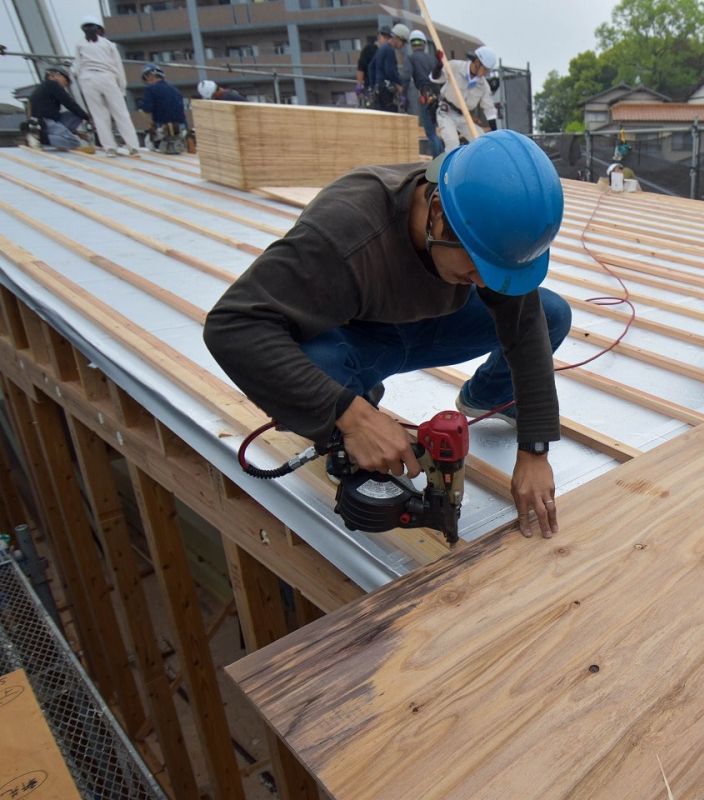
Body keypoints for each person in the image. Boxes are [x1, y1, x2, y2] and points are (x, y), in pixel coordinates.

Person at [203, 130, 570, 539]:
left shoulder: (483, 227)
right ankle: (351, 436)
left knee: (550, 313)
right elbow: (231, 325)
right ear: (437, 214)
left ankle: (486, 396)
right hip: (356, 340)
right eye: (476, 265)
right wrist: (353, 416)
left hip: (426, 325)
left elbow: (525, 326)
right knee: (317, 367)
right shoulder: (345, 234)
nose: (484, 282)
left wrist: (535, 450)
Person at [75, 16, 141, 157]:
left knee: (99, 115)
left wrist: (79, 77)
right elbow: (119, 67)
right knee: (121, 113)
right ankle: (133, 147)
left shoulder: (80, 44)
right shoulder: (109, 44)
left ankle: (110, 148)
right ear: (100, 30)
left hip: (87, 79)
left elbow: (76, 67)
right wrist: (122, 88)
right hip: (107, 77)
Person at [432, 46, 499, 152]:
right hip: (446, 112)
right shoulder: (455, 66)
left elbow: (489, 110)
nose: (486, 73)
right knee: (453, 143)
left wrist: (495, 133)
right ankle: (450, 168)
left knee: (483, 142)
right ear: (477, 62)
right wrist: (439, 65)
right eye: (485, 69)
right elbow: (435, 78)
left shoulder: (483, 85)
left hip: (464, 116)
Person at [25, 65, 95, 153]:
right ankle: (40, 138)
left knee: (76, 115)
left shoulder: (43, 88)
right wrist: (88, 118)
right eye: (65, 82)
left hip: (47, 120)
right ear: (57, 75)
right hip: (46, 121)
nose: (65, 87)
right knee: (73, 143)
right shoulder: (52, 84)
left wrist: (76, 132)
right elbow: (69, 103)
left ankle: (56, 135)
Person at [407, 29, 443, 156]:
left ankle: (437, 160)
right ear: (424, 44)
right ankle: (441, 156)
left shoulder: (411, 58)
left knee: (431, 132)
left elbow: (406, 76)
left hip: (425, 95)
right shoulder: (432, 59)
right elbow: (439, 76)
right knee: (436, 130)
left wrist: (402, 94)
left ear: (411, 45)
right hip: (437, 96)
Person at [139, 64, 188, 154]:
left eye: (146, 78)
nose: (147, 81)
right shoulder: (175, 90)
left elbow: (146, 109)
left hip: (163, 128)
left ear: (150, 76)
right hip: (181, 128)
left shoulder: (150, 89)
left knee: (148, 143)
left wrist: (151, 125)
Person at [367, 24, 411, 113]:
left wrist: (373, 86)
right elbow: (390, 72)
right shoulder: (389, 50)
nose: (403, 45)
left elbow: (371, 67)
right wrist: (400, 85)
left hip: (379, 88)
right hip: (386, 91)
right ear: (398, 38)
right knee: (390, 115)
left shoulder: (382, 49)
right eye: (403, 42)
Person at [355, 27, 389, 105]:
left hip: (385, 87)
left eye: (388, 38)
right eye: (384, 37)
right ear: (379, 37)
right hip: (370, 86)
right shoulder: (369, 49)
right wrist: (359, 85)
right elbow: (361, 68)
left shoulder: (388, 51)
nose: (386, 40)